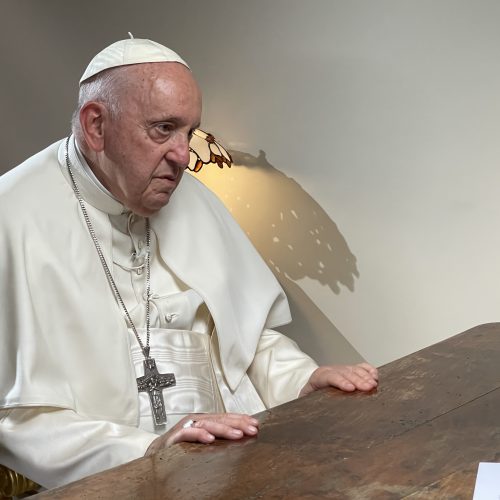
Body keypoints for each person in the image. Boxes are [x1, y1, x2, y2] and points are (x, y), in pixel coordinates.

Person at [0, 36, 378, 491]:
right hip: (109, 482)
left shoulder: (190, 198)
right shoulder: (13, 216)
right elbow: (19, 418)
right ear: (96, 125)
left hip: (230, 462)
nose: (183, 156)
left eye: (189, 133)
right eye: (163, 129)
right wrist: (147, 451)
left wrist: (301, 378)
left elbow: (243, 341)